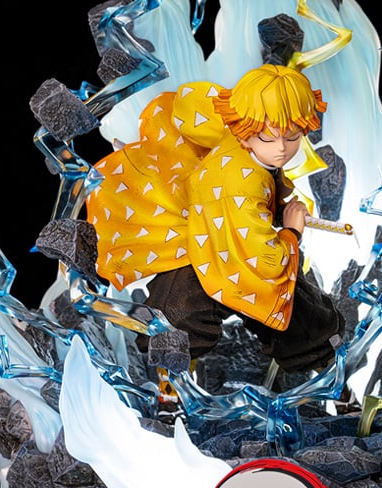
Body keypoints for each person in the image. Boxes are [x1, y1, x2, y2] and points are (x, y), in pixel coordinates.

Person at [85, 64, 345, 398]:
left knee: (300, 319)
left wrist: (276, 209)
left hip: (213, 239)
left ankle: (334, 385)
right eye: (268, 137)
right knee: (185, 321)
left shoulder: (233, 136)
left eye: (293, 136)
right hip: (208, 256)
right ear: (244, 130)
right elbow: (263, 259)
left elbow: (191, 106)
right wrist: (292, 232)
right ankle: (170, 395)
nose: (281, 147)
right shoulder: (240, 184)